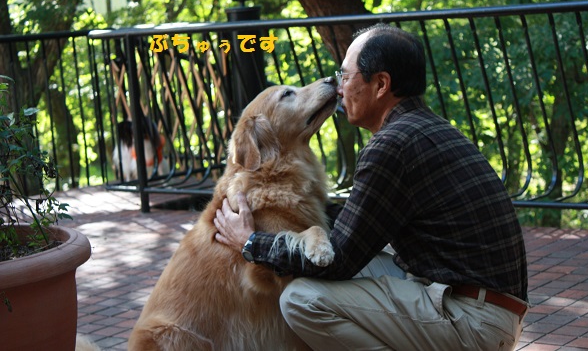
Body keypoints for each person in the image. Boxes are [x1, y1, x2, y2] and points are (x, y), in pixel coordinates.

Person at [214, 23, 529, 350]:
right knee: (364, 257)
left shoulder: (392, 146)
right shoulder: (424, 128)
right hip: (490, 308)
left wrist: (250, 242)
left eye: (346, 77)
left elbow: (336, 262)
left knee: (302, 298)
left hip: (473, 321)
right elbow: (358, 230)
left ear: (380, 84)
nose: (338, 88)